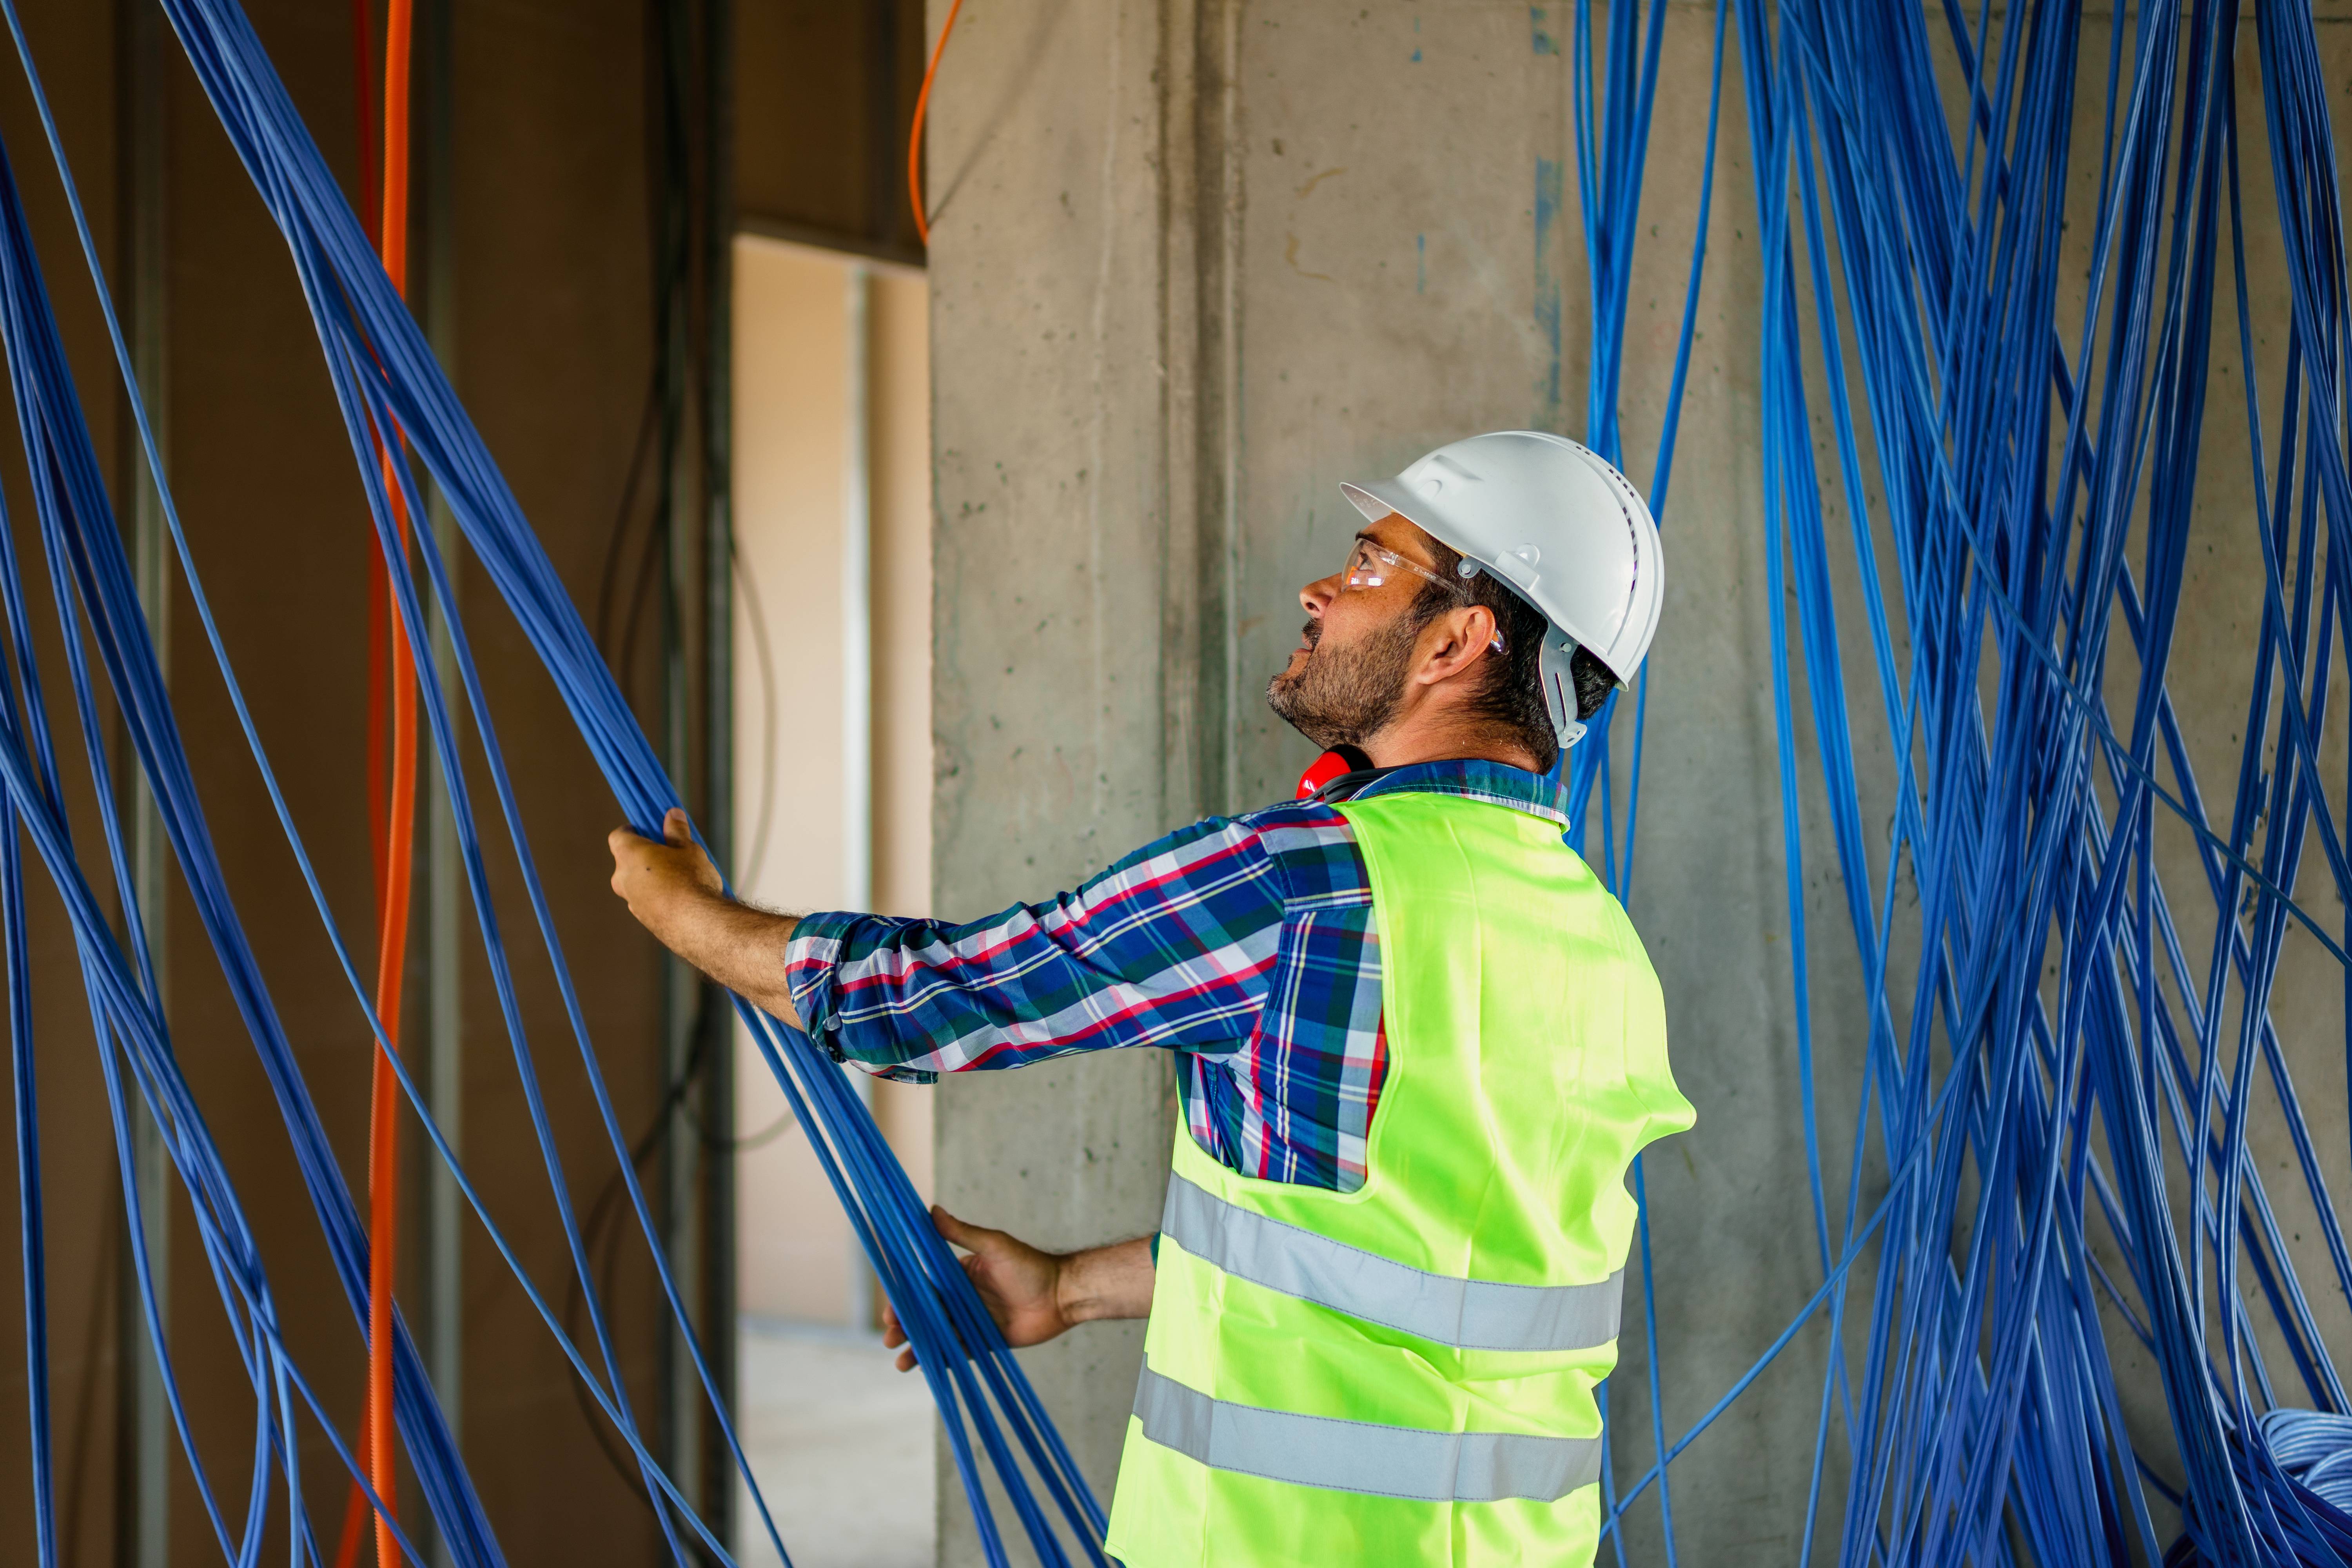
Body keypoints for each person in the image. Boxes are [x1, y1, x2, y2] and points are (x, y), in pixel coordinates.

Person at [608, 431, 1696, 1567]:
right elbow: (1389, 1268)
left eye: (1373, 563)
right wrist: (1071, 1289)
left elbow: (939, 1000)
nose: (1320, 590)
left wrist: (680, 910)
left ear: (1459, 642)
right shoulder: (1600, 945)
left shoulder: (1302, 880)